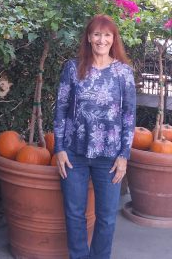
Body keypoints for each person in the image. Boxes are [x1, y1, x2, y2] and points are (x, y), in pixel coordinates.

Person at [54, 14, 136, 259]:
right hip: (73, 154)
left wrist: (124, 155)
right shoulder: (73, 67)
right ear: (89, 37)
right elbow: (60, 108)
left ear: (113, 39)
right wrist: (59, 148)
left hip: (109, 157)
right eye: (97, 34)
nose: (102, 40)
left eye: (107, 35)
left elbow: (129, 115)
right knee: (74, 214)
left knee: (107, 217)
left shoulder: (123, 73)